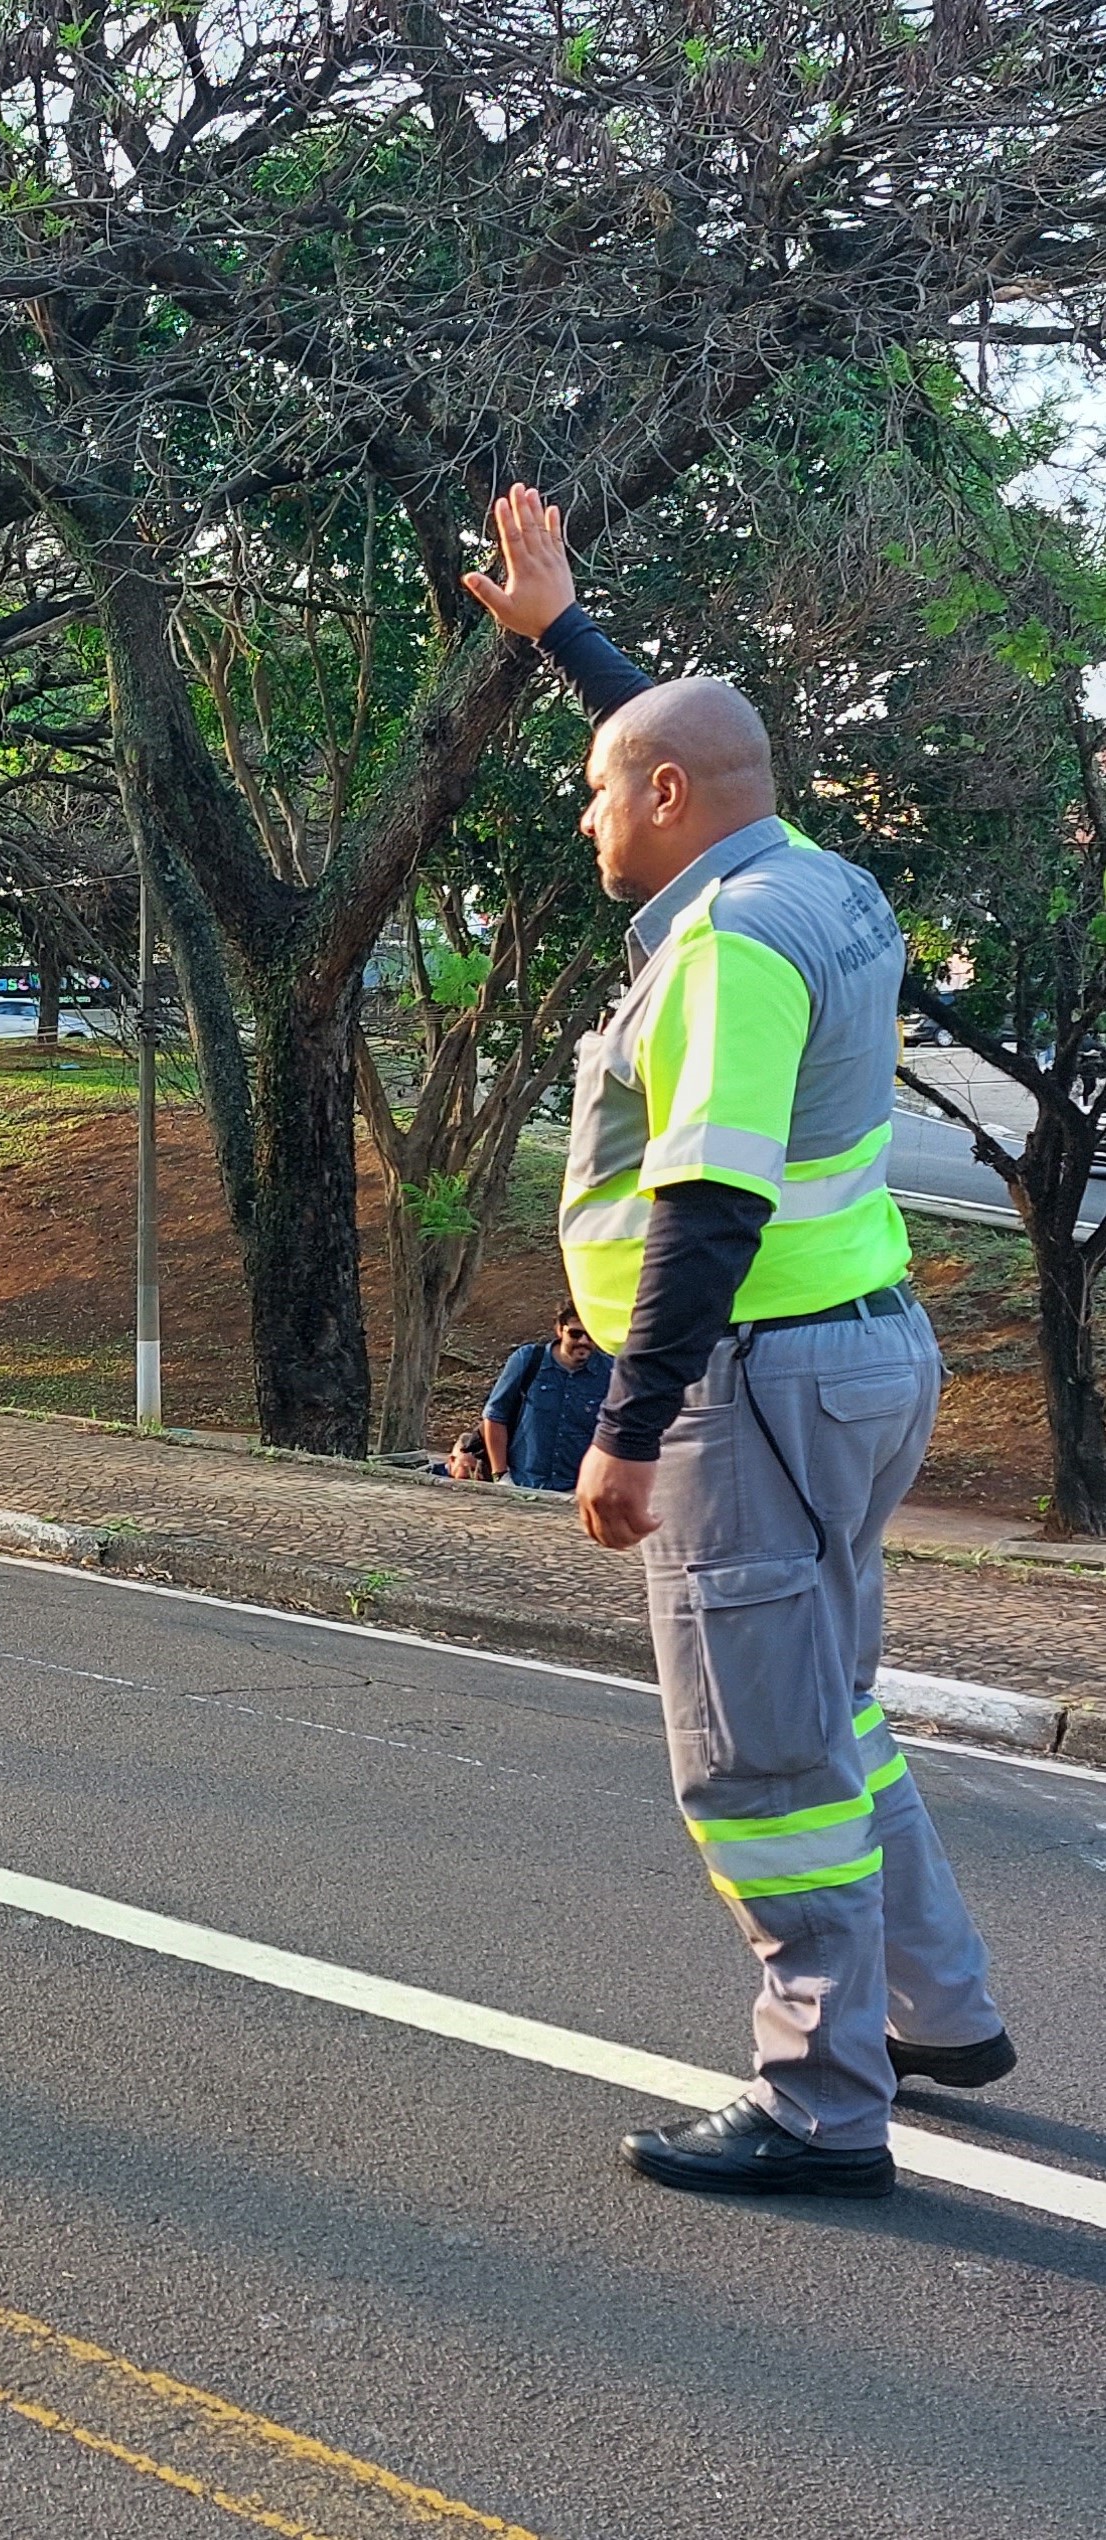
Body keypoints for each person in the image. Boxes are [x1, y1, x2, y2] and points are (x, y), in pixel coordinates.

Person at [465, 484, 1012, 2198]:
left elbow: (706, 1205)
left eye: (595, 800)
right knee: (831, 1708)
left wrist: (626, 1426)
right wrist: (565, 637)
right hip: (858, 1359)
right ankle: (939, 2011)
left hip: (748, 1385)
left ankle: (819, 2102)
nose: (585, 824)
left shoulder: (727, 949)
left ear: (667, 806)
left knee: (760, 1759)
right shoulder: (816, 878)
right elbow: (690, 750)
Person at [481, 1301, 611, 1493]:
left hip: (579, 1491)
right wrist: (500, 1476)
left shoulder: (611, 1372)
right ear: (559, 1329)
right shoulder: (528, 1360)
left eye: (591, 1334)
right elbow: (495, 1416)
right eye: (575, 1333)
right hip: (523, 1485)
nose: (583, 1341)